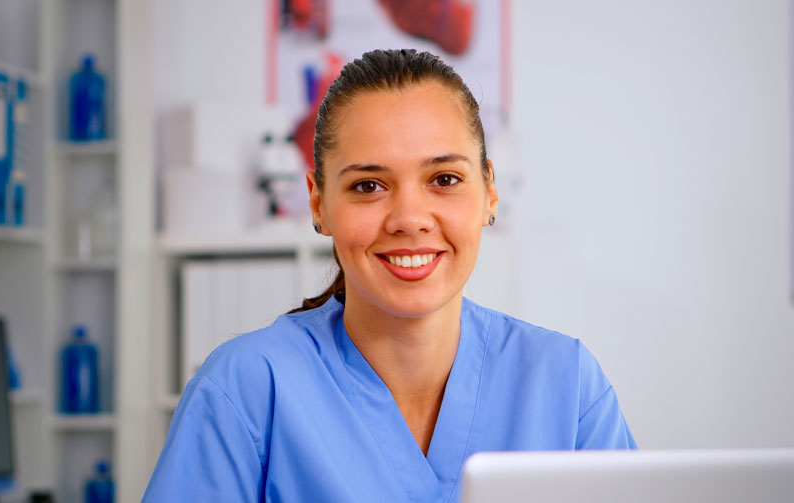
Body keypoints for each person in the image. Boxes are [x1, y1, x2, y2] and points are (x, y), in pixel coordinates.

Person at [143, 49, 636, 503]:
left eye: (444, 179)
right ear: (319, 205)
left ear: (489, 192)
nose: (409, 218)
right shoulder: (245, 390)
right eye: (369, 185)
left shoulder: (565, 385)